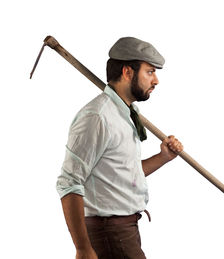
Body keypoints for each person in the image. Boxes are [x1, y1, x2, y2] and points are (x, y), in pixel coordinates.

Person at [56, 37, 183, 259]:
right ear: (127, 72)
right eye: (150, 72)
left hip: (124, 231)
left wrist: (163, 157)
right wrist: (83, 249)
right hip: (110, 233)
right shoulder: (98, 117)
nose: (156, 81)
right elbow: (69, 183)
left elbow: (123, 173)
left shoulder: (125, 115)